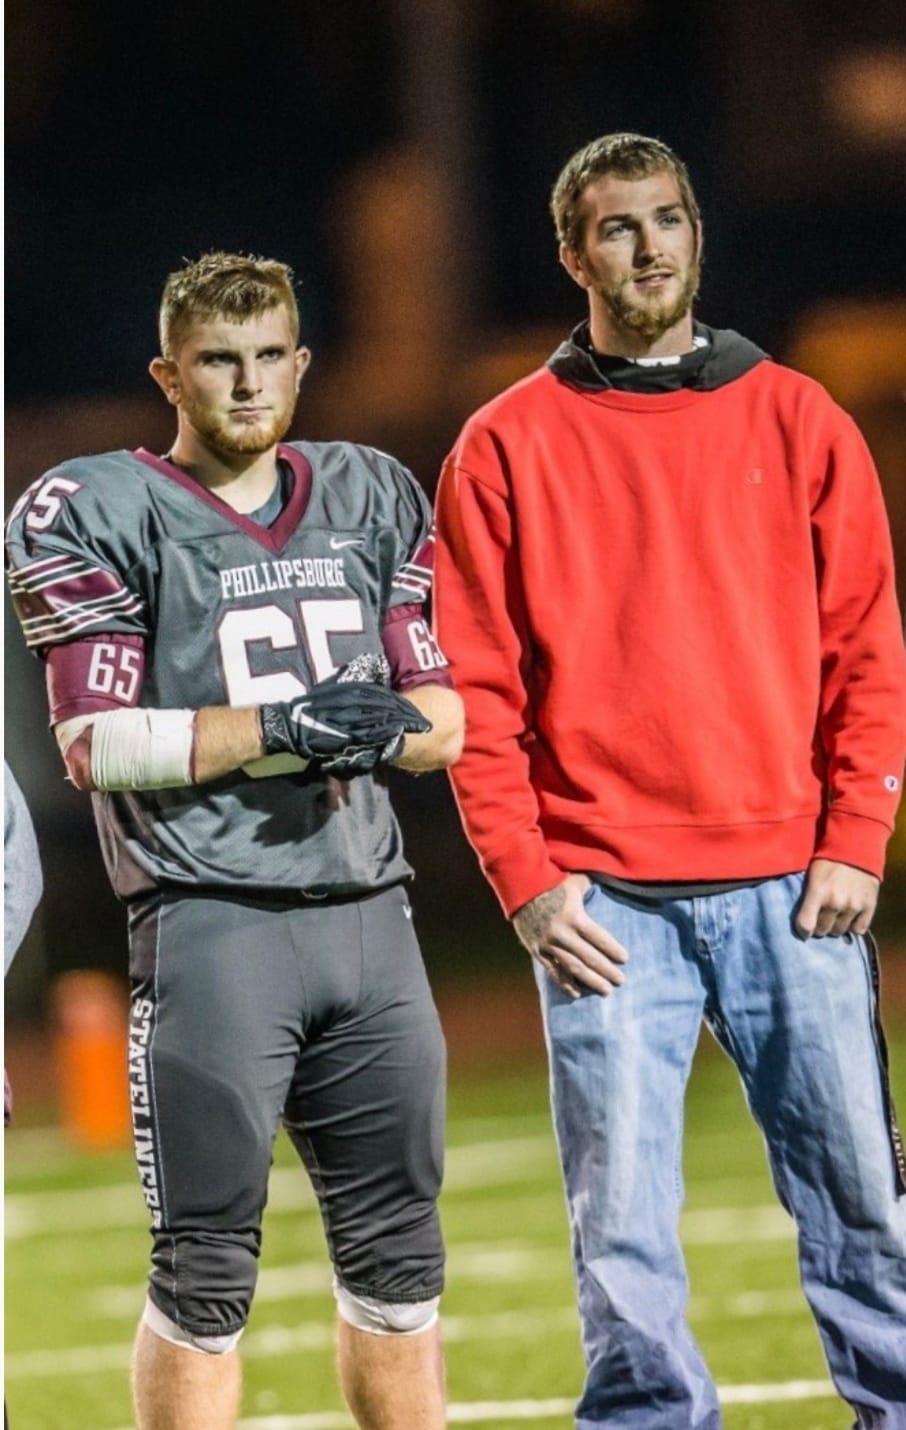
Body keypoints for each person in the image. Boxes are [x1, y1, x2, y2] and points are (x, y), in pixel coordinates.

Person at [433, 133, 906, 1428]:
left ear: (697, 233)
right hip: (603, 906)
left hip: (795, 889)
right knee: (621, 1234)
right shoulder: (503, 444)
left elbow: (867, 645)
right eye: (617, 227)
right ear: (572, 254)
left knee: (865, 1208)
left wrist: (856, 833)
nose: (648, 247)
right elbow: (476, 689)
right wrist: (527, 882)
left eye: (668, 219)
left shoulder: (798, 417)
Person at [6, 251, 463, 1430]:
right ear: (170, 373)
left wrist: (390, 725)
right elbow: (97, 743)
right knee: (205, 1272)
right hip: (212, 918)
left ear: (302, 363)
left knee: (402, 1265)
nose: (250, 382)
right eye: (219, 359)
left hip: (368, 907)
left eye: (269, 356)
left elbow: (447, 718)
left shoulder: (368, 490)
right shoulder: (100, 505)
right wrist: (282, 725)